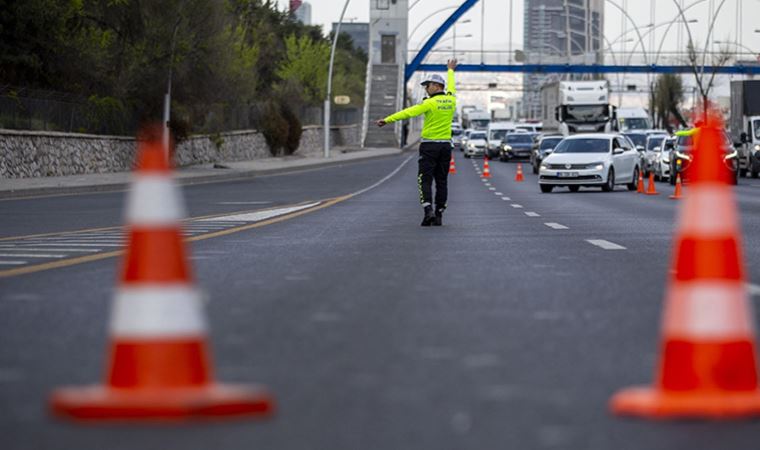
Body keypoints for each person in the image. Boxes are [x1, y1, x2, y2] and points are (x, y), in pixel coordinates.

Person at [377, 59, 458, 226]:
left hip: (429, 146)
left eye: (427, 85)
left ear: (436, 86)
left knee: (424, 179)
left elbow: (408, 113)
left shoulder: (428, 103)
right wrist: (450, 70)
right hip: (445, 147)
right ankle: (439, 213)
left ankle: (428, 210)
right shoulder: (451, 100)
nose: (426, 89)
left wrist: (387, 120)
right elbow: (452, 86)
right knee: (442, 181)